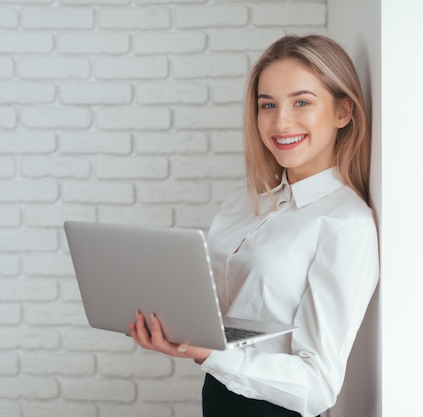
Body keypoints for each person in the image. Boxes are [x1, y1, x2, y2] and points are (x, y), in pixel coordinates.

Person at [129, 34, 379, 417]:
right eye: (268, 105)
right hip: (219, 396)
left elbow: (318, 385)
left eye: (301, 102)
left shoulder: (345, 223)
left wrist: (212, 353)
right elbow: (222, 316)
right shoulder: (245, 203)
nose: (281, 121)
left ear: (343, 112)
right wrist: (177, 325)